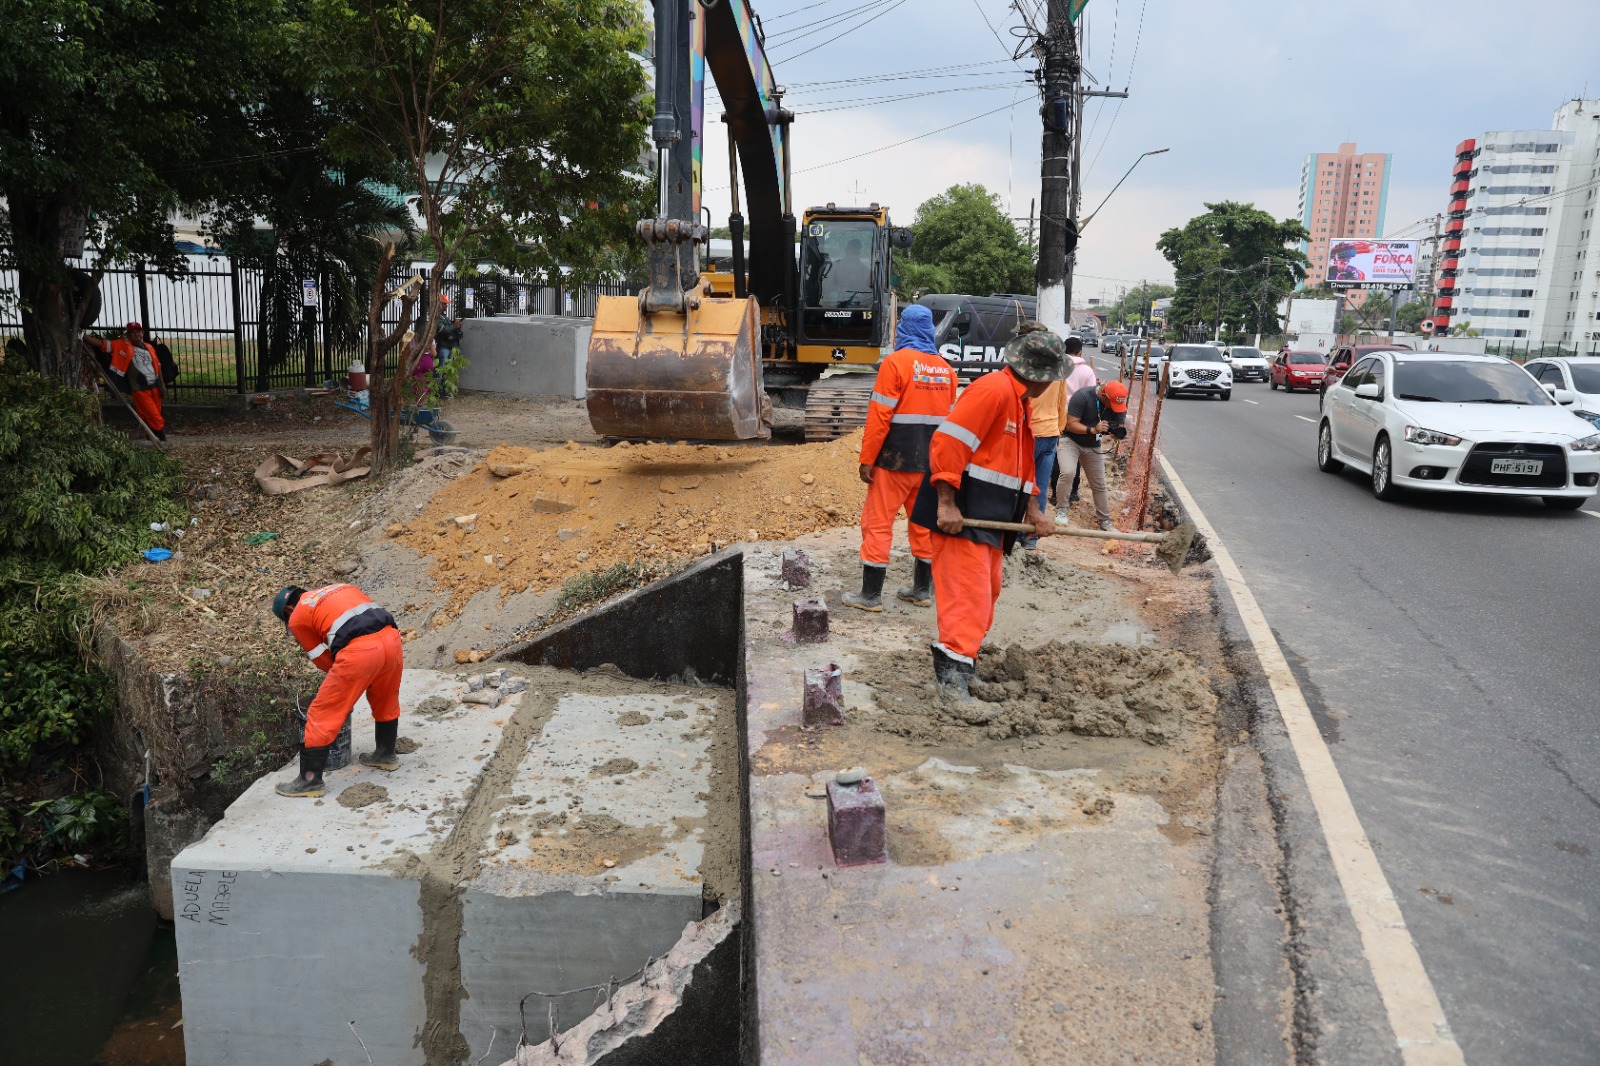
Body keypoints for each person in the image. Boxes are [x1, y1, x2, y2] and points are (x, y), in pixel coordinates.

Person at [909, 322, 1065, 699]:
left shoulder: (1018, 401)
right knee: (967, 599)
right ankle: (951, 688)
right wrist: (946, 504)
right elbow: (947, 444)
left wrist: (1033, 511)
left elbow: (1023, 466)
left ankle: (964, 667)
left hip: (993, 519)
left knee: (984, 595)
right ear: (1040, 375)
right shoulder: (993, 392)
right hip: (962, 517)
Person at [842, 304, 956, 612]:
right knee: (923, 525)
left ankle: (870, 596)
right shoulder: (946, 370)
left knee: (878, 522)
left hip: (894, 460)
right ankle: (921, 592)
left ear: (903, 328)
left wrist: (867, 459)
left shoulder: (895, 363)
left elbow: (880, 417)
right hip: (930, 463)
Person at [272, 583, 405, 798]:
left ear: (288, 611)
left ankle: (309, 781)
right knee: (385, 698)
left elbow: (324, 661)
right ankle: (386, 755)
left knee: (321, 713)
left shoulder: (297, 617)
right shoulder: (339, 587)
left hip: (360, 651)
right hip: (392, 641)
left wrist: (343, 684)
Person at [1058, 380, 1130, 532]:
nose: (1113, 408)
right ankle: (1061, 510)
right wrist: (1093, 429)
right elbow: (1071, 424)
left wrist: (1115, 432)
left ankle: (1105, 521)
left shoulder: (1118, 405)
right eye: (1111, 403)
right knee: (1068, 472)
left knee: (1099, 483)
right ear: (1103, 394)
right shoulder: (1083, 396)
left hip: (1093, 445)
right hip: (1071, 440)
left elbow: (1118, 426)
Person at [88, 323, 167, 442]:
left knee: (151, 414)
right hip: (140, 389)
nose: (137, 334)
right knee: (154, 416)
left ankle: (150, 436)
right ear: (128, 335)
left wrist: (162, 384)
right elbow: (102, 344)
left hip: (155, 387)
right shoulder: (122, 346)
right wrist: (82, 335)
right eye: (133, 332)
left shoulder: (149, 347)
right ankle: (162, 438)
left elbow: (158, 366)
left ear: (143, 333)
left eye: (139, 331)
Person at [1050, 337, 1098, 508]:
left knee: (1058, 455)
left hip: (1057, 415)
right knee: (1075, 453)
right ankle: (1074, 492)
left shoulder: (1056, 369)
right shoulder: (1087, 371)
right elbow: (1093, 396)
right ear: (1080, 351)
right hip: (1078, 418)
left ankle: (1056, 494)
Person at [825, 239, 871, 307]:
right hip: (834, 303)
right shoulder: (834, 266)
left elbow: (868, 288)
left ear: (858, 252)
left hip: (858, 304)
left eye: (855, 251)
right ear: (846, 250)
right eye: (851, 250)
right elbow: (825, 285)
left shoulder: (864, 269)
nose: (852, 253)